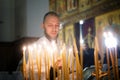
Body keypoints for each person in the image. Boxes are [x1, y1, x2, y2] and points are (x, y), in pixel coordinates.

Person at [26, 11, 63, 80]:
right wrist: (53, 71)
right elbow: (33, 74)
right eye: (50, 25)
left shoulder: (64, 46)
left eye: (57, 25)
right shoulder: (36, 48)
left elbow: (74, 70)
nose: (54, 29)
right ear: (43, 26)